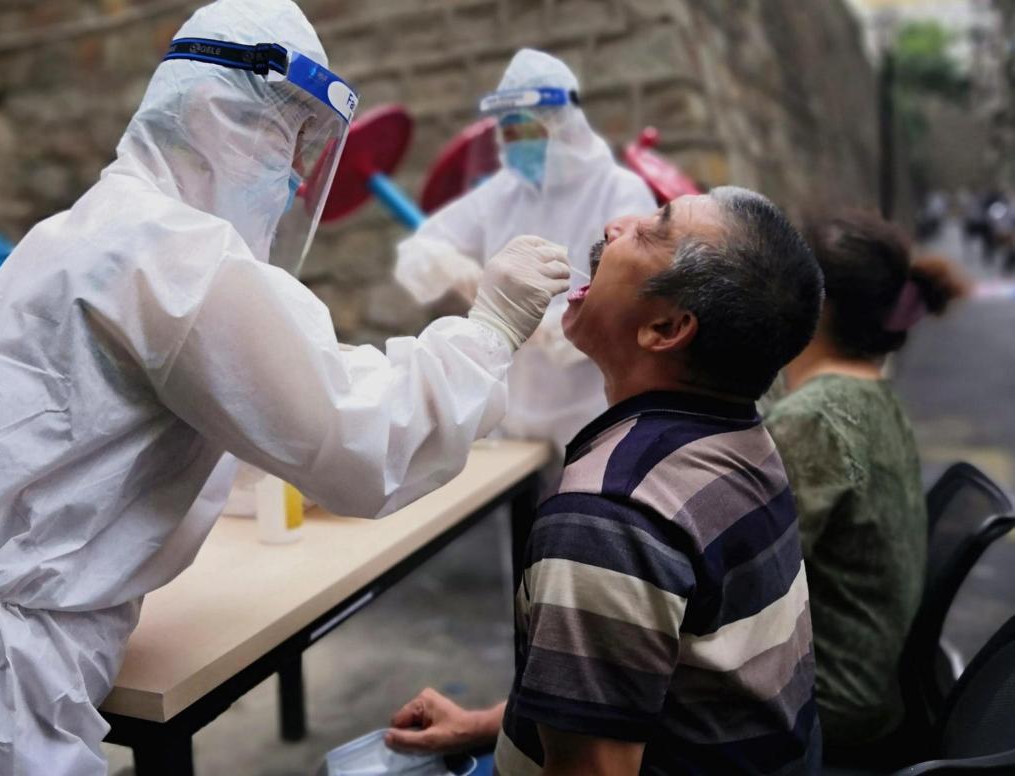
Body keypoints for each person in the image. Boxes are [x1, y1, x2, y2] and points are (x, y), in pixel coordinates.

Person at [0, 2, 571, 774]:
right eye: (284, 140)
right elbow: (366, 443)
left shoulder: (78, 230)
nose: (294, 179)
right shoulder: (175, 253)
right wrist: (490, 329)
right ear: (213, 116)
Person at [388, 189, 825, 775]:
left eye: (651, 232)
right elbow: (662, 684)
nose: (617, 224)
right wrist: (492, 726)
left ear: (666, 327)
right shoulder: (739, 441)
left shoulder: (607, 518)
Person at [763, 212, 969, 759]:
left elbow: (750, 579)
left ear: (814, 304)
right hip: (875, 685)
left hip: (830, 702)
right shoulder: (867, 393)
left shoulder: (815, 417)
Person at [395, 49, 656, 451]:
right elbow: (419, 250)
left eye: (528, 130)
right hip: (512, 422)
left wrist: (554, 328)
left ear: (563, 124)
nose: (517, 143)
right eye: (509, 131)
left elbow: (635, 297)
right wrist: (449, 267)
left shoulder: (620, 190)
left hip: (596, 416)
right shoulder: (504, 193)